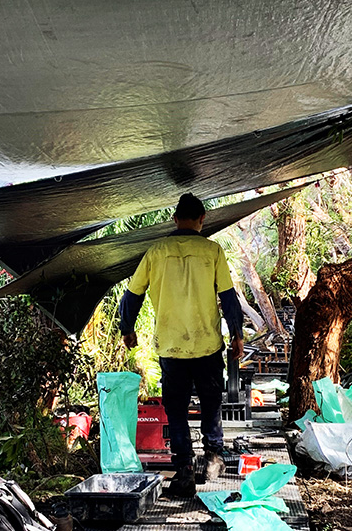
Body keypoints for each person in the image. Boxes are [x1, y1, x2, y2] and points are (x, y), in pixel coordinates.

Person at [119, 193, 244, 497]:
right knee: (211, 402)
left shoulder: (156, 252)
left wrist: (127, 328)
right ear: (202, 219)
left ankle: (184, 470)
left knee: (176, 410)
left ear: (175, 219)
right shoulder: (213, 251)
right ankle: (214, 457)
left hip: (171, 348)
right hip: (207, 344)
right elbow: (228, 297)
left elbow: (131, 296)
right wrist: (237, 335)